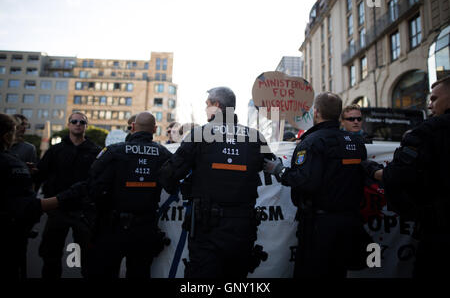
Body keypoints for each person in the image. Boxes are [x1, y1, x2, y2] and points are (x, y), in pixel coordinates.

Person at [159, 86, 272, 278]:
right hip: (242, 229)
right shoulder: (255, 137)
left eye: (207, 105)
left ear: (216, 106)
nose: (205, 109)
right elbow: (269, 167)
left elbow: (170, 174)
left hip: (207, 230)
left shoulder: (200, 134)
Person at [264, 92, 367, 277]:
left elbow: (305, 181)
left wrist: (278, 170)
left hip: (320, 226)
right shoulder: (356, 142)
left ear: (316, 112)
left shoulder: (312, 142)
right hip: (349, 223)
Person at [367, 75, 450, 278]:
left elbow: (397, 176)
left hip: (439, 234)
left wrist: (373, 171)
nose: (430, 105)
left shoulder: (430, 131)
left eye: (434, 99)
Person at [85, 112, 172, 278]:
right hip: (145, 229)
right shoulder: (163, 154)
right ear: (154, 129)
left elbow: (93, 185)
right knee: (139, 273)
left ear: (132, 127)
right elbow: (175, 179)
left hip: (112, 228)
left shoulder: (113, 151)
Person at [34, 112, 101, 278]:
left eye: (82, 122)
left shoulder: (95, 151)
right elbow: (40, 175)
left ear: (86, 126)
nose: (78, 124)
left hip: (84, 213)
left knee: (87, 258)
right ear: (69, 124)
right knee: (51, 255)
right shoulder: (55, 150)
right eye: (74, 121)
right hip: (57, 210)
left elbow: (100, 181)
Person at [0, 113, 58, 279]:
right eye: (17, 127)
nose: (23, 128)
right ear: (7, 135)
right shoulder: (11, 164)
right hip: (11, 228)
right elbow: (26, 202)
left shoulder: (26, 151)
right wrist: (62, 199)